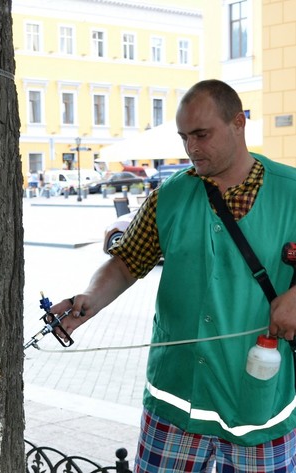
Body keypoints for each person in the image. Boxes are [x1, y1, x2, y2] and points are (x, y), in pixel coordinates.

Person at [50, 79, 296, 472]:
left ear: (238, 123)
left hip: (259, 411)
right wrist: (90, 299)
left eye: (202, 134)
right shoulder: (168, 196)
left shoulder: (292, 191)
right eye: (184, 137)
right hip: (175, 405)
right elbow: (126, 262)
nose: (191, 148)